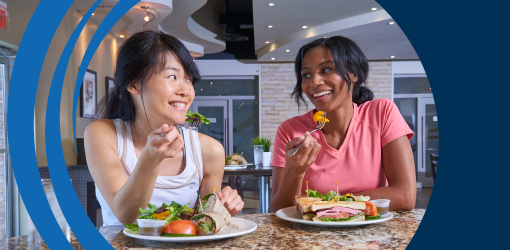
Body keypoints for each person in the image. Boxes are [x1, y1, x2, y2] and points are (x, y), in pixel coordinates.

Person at [84, 30, 244, 226]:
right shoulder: (103, 135)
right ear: (134, 85)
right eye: (172, 76)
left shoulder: (209, 151)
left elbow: (204, 225)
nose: (185, 90)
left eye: (188, 80)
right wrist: (151, 159)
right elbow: (126, 217)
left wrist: (223, 208)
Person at [269, 36, 416, 212]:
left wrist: (331, 205)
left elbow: (405, 196)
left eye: (326, 70)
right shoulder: (290, 131)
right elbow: (278, 212)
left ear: (353, 74)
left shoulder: (381, 113)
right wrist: (294, 172)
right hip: (311, 237)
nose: (314, 82)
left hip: (371, 236)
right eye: (306, 75)